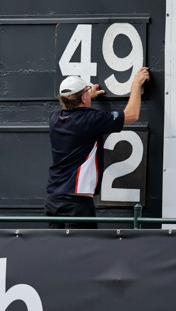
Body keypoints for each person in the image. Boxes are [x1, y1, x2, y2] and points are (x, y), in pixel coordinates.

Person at [45, 67, 150, 229]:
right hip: (77, 203)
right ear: (83, 97)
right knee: (83, 252)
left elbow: (75, 109)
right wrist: (136, 84)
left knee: (56, 251)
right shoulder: (90, 119)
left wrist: (86, 96)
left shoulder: (55, 119)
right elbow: (132, 115)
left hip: (53, 201)